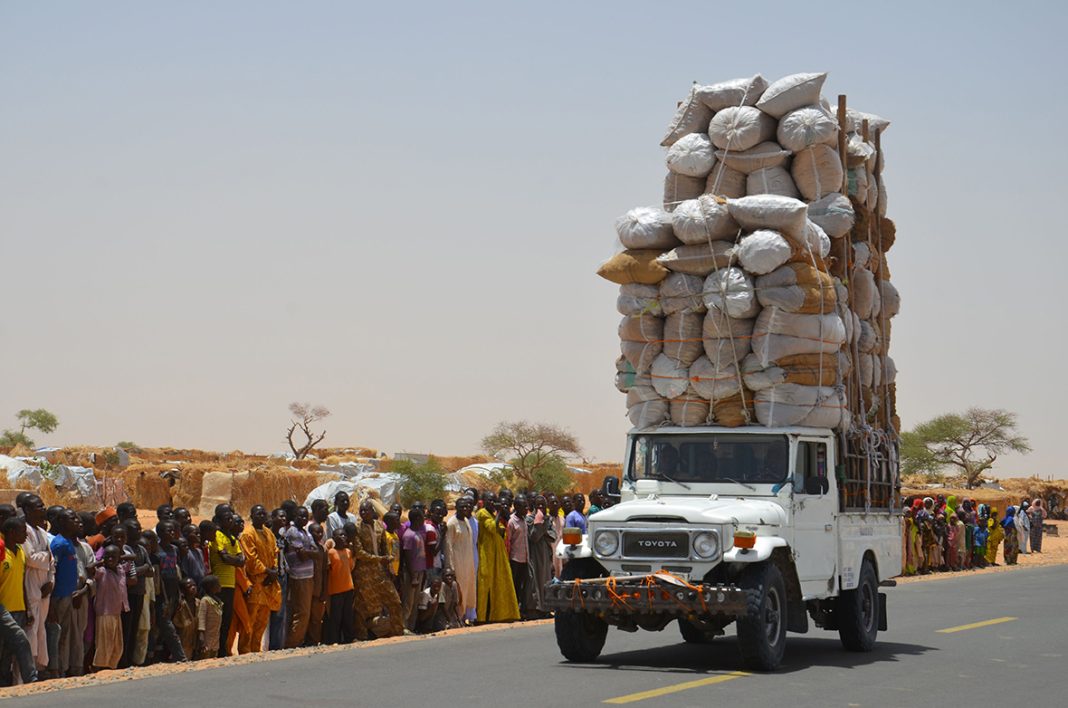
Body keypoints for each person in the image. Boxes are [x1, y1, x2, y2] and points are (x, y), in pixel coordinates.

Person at [352, 503, 404, 640]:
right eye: (361, 510)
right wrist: (379, 559)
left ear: (372, 511)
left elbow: (384, 547)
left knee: (394, 600)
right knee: (362, 605)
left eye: (366, 510)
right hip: (364, 573)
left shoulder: (379, 525)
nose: (363, 513)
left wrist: (387, 564)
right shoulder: (357, 528)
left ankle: (398, 631)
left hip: (380, 571)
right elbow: (359, 552)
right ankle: (361, 636)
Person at [238, 505, 280, 654]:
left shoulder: (269, 533)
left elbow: (275, 553)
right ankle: (244, 651)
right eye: (258, 513)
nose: (262, 516)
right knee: (250, 620)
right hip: (256, 583)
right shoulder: (247, 534)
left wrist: (273, 571)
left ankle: (256, 650)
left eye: (264, 513)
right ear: (252, 515)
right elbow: (251, 559)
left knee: (262, 620)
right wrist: (266, 571)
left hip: (268, 583)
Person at [0, 517, 37, 685]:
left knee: (8, 651)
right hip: (4, 609)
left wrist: (27, 607)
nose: (26, 535)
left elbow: (21, 582)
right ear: (11, 532)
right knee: (21, 639)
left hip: (19, 608)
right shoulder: (2, 554)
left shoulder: (20, 551)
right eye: (23, 531)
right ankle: (32, 679)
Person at [20, 494, 54, 671]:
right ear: (27, 510)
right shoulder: (23, 531)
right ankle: (25, 672)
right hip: (31, 583)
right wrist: (48, 557)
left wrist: (51, 582)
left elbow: (51, 563)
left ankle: (38, 669)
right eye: (38, 506)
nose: (42, 509)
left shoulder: (42, 532)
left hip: (44, 585)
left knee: (41, 628)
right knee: (30, 629)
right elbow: (31, 558)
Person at [475, 494, 518, 623]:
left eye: (495, 501)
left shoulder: (492, 514)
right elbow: (493, 527)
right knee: (486, 584)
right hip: (486, 553)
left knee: (498, 583)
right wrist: (499, 513)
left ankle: (500, 614)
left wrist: (502, 513)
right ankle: (483, 616)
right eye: (490, 500)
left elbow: (502, 531)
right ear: (484, 501)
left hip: (497, 554)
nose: (493, 503)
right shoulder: (482, 513)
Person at [48, 510, 80, 677]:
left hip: (68, 595)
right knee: (56, 634)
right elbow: (52, 571)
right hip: (58, 597)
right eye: (72, 518)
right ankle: (54, 669)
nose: (76, 521)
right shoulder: (59, 544)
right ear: (61, 522)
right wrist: (52, 602)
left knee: (65, 635)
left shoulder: (69, 542)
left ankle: (63, 668)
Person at [209, 512, 245, 657]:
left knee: (227, 620)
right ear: (219, 520)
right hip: (218, 583)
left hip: (230, 583)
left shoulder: (232, 539)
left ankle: (223, 650)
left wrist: (233, 559)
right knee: (217, 620)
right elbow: (225, 559)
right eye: (227, 519)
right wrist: (234, 559)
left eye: (232, 518)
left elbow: (241, 560)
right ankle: (215, 650)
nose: (231, 521)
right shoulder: (217, 535)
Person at [154, 520, 187, 662]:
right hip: (163, 593)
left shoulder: (174, 549)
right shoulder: (157, 551)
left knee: (169, 625)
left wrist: (179, 595)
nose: (172, 533)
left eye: (173, 530)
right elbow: (159, 578)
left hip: (173, 592)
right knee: (166, 626)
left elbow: (176, 573)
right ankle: (180, 656)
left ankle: (163, 656)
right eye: (169, 531)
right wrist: (166, 598)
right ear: (160, 533)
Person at [284, 507, 316, 648]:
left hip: (308, 575)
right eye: (300, 516)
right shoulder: (293, 532)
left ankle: (297, 641)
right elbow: (304, 555)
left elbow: (317, 552)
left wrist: (310, 552)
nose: (304, 519)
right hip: (299, 576)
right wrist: (312, 553)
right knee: (302, 612)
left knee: (305, 611)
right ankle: (292, 644)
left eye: (305, 517)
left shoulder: (305, 532)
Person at [92, 545, 129, 671]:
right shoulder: (102, 572)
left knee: (117, 644)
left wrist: (121, 557)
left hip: (117, 612)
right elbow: (89, 569)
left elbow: (131, 560)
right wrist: (101, 561)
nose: (110, 559)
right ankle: (100, 667)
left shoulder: (120, 569)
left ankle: (111, 666)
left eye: (114, 557)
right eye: (108, 556)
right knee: (104, 643)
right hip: (104, 612)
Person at [444, 497, 476, 624]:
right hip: (457, 563)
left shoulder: (467, 521)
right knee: (460, 591)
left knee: (469, 589)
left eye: (467, 507)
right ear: (456, 508)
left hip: (468, 562)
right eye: (462, 507)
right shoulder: (452, 523)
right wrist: (451, 567)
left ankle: (465, 617)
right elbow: (448, 546)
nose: (465, 509)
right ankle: (457, 618)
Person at [324, 528, 355, 644]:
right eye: (339, 535)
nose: (342, 537)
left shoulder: (348, 552)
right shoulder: (331, 553)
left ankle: (348, 638)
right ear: (334, 538)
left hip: (348, 588)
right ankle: (334, 639)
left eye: (344, 535)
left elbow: (351, 567)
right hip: (336, 590)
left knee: (348, 615)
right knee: (336, 617)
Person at [400, 507, 428, 631]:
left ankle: (411, 627)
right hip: (412, 572)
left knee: (415, 601)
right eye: (422, 517)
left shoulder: (418, 533)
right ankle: (404, 626)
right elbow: (407, 557)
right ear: (417, 519)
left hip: (420, 570)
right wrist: (413, 576)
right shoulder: (409, 535)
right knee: (408, 601)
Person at [526, 495, 554, 616]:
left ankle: (546, 608)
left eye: (543, 504)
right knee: (535, 581)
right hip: (534, 554)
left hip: (545, 554)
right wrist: (538, 524)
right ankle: (536, 608)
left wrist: (543, 527)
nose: (541, 507)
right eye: (539, 505)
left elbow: (553, 536)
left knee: (546, 579)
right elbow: (534, 537)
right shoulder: (529, 519)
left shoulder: (549, 519)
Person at [306, 522, 329, 646]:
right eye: (316, 532)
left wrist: (324, 590)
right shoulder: (307, 548)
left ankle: (314, 641)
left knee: (316, 618)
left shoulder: (323, 549)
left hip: (318, 588)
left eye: (321, 532)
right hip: (307, 587)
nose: (319, 534)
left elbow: (325, 571)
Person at [506, 496, 529, 616]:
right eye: (524, 506)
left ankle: (521, 610)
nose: (527, 508)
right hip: (515, 559)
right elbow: (508, 541)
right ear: (517, 507)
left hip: (525, 558)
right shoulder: (511, 521)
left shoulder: (524, 520)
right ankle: (514, 611)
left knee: (523, 586)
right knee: (515, 586)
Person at [196, 576, 224, 660]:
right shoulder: (205, 600)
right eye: (217, 584)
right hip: (206, 639)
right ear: (211, 587)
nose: (220, 586)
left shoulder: (217, 601)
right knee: (205, 659)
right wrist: (201, 638)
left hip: (215, 639)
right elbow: (201, 618)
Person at [173, 577, 198, 660]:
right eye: (189, 586)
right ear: (183, 591)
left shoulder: (199, 603)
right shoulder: (180, 606)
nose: (193, 587)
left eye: (194, 585)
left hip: (195, 645)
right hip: (183, 645)